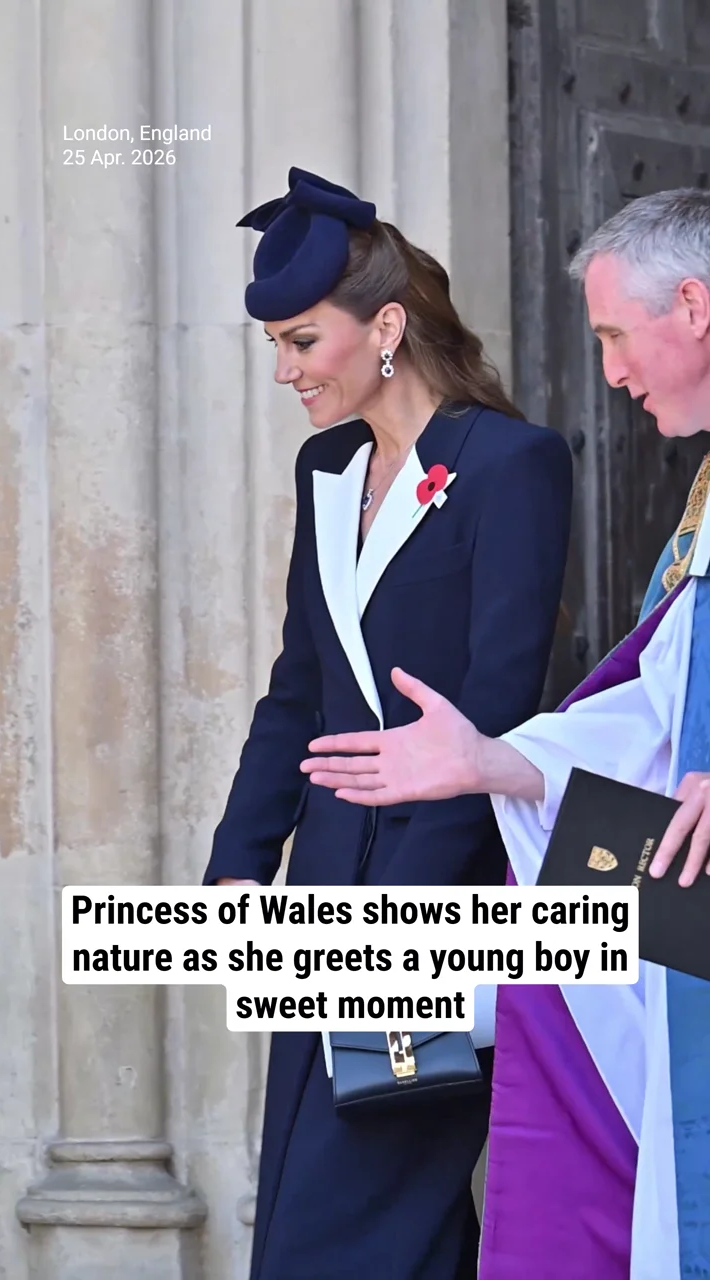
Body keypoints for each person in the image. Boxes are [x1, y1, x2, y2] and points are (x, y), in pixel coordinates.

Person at [302, 187, 710, 1279]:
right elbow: (651, 711)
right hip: (676, 883)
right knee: (533, 991)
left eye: (618, 336)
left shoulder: (509, 463)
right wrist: (493, 762)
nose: (612, 372)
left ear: (696, 306)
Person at [203, 166, 573, 1279]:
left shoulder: (514, 464)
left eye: (303, 342)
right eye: (275, 345)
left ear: (388, 327)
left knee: (350, 1234)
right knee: (361, 1231)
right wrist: (237, 870)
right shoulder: (327, 468)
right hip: (321, 900)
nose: (286, 372)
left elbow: (497, 705)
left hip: (432, 900)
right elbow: (296, 691)